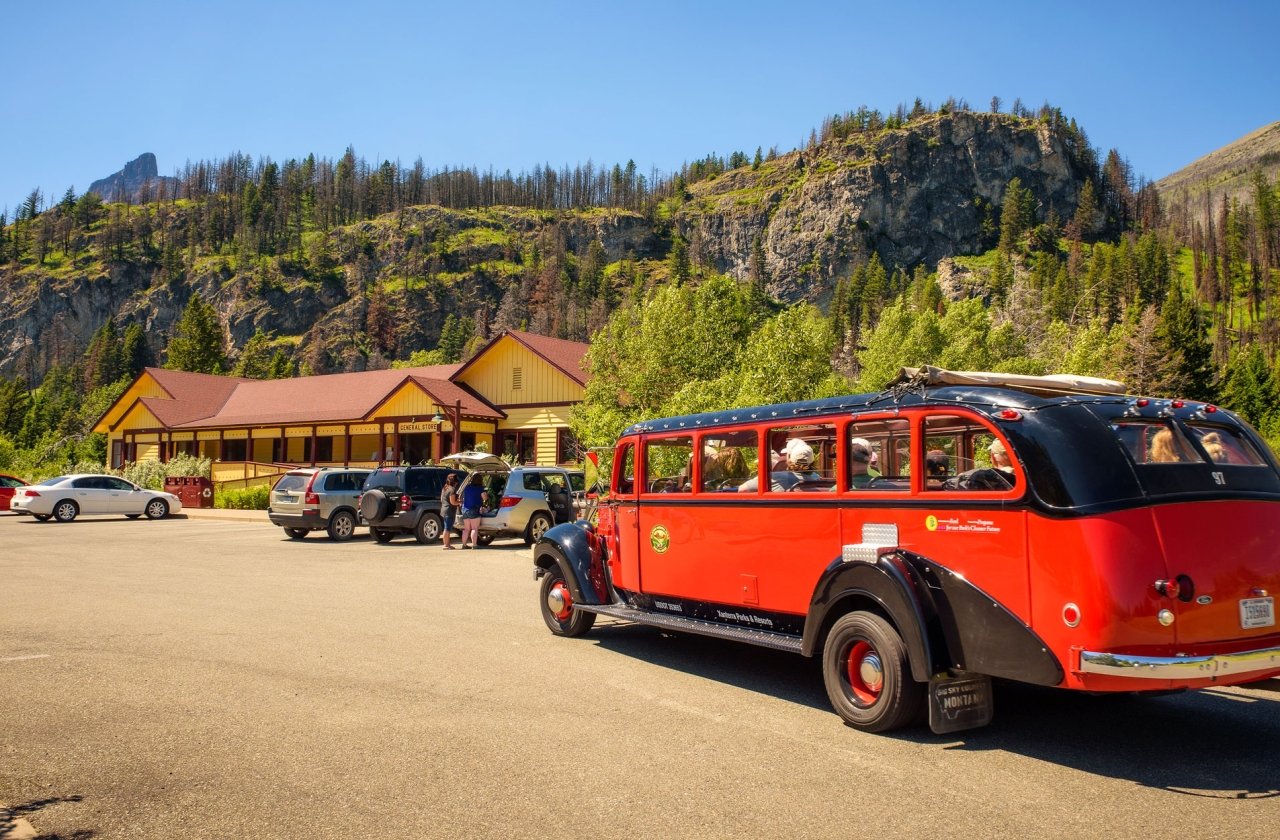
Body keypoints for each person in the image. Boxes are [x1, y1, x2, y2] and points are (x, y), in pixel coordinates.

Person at [739, 441, 820, 492]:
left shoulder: (775, 477)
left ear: (789, 459)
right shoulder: (817, 478)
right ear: (812, 461)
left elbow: (742, 490)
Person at [459, 478, 486, 548]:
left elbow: (462, 497)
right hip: (474, 509)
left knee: (466, 529)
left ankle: (464, 545)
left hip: (465, 510)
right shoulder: (480, 488)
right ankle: (474, 545)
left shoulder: (467, 487)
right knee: (474, 528)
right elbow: (484, 498)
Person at [440, 474, 460, 549]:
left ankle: (447, 544)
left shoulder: (445, 488)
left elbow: (442, 499)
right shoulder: (452, 490)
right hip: (449, 511)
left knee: (446, 527)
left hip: (444, 510)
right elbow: (453, 502)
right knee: (447, 528)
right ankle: (446, 545)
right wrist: (460, 502)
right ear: (455, 482)